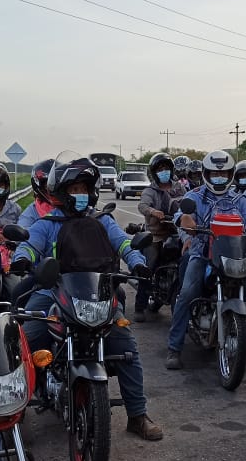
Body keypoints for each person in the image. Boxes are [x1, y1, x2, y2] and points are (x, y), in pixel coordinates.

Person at [10, 153, 163, 441]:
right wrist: (23, 259)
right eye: (74, 189)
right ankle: (13, 414)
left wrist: (138, 261)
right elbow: (29, 245)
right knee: (25, 341)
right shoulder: (49, 223)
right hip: (53, 292)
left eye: (84, 189)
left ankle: (137, 414)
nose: (80, 195)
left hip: (96, 294)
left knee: (127, 347)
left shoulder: (102, 221)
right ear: (61, 192)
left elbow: (124, 244)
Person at [165, 150, 246, 373]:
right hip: (203, 256)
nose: (220, 178)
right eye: (215, 174)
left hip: (236, 257)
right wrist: (185, 219)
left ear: (230, 175)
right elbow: (181, 216)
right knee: (187, 294)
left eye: (225, 174)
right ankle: (174, 348)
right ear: (206, 174)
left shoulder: (239, 199)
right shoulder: (194, 196)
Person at [134, 152, 187, 321]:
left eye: (166, 168)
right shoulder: (150, 190)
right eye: (160, 169)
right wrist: (153, 211)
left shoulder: (179, 187)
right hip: (156, 235)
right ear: (154, 172)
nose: (163, 171)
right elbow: (142, 205)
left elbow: (188, 202)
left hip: (177, 233)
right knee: (148, 266)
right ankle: (140, 306)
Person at [17, 158, 56, 229]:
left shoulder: (71, 207)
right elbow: (22, 230)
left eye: (56, 184)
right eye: (49, 186)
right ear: (39, 187)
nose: (54, 190)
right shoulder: (31, 213)